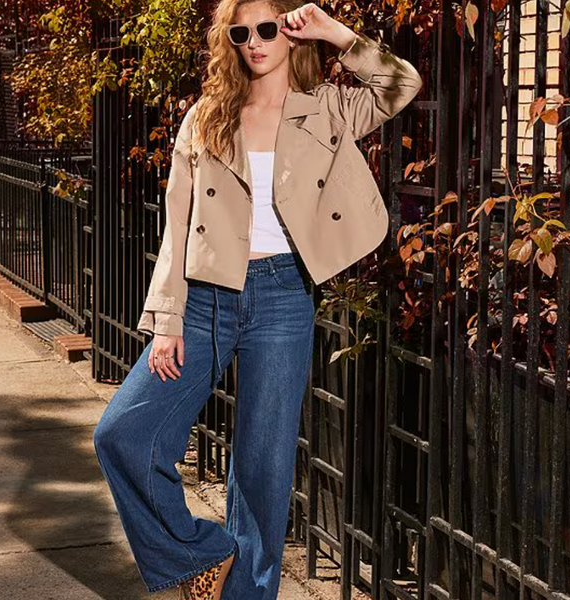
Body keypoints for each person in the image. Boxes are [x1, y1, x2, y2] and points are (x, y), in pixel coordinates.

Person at [92, 0, 422, 598]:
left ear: (289, 35)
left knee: (263, 473)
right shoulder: (207, 116)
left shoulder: (324, 110)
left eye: (267, 28)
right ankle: (206, 554)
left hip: (283, 298)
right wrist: (166, 317)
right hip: (204, 298)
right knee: (122, 434)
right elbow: (176, 223)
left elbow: (400, 84)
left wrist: (332, 32)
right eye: (240, 32)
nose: (254, 42)